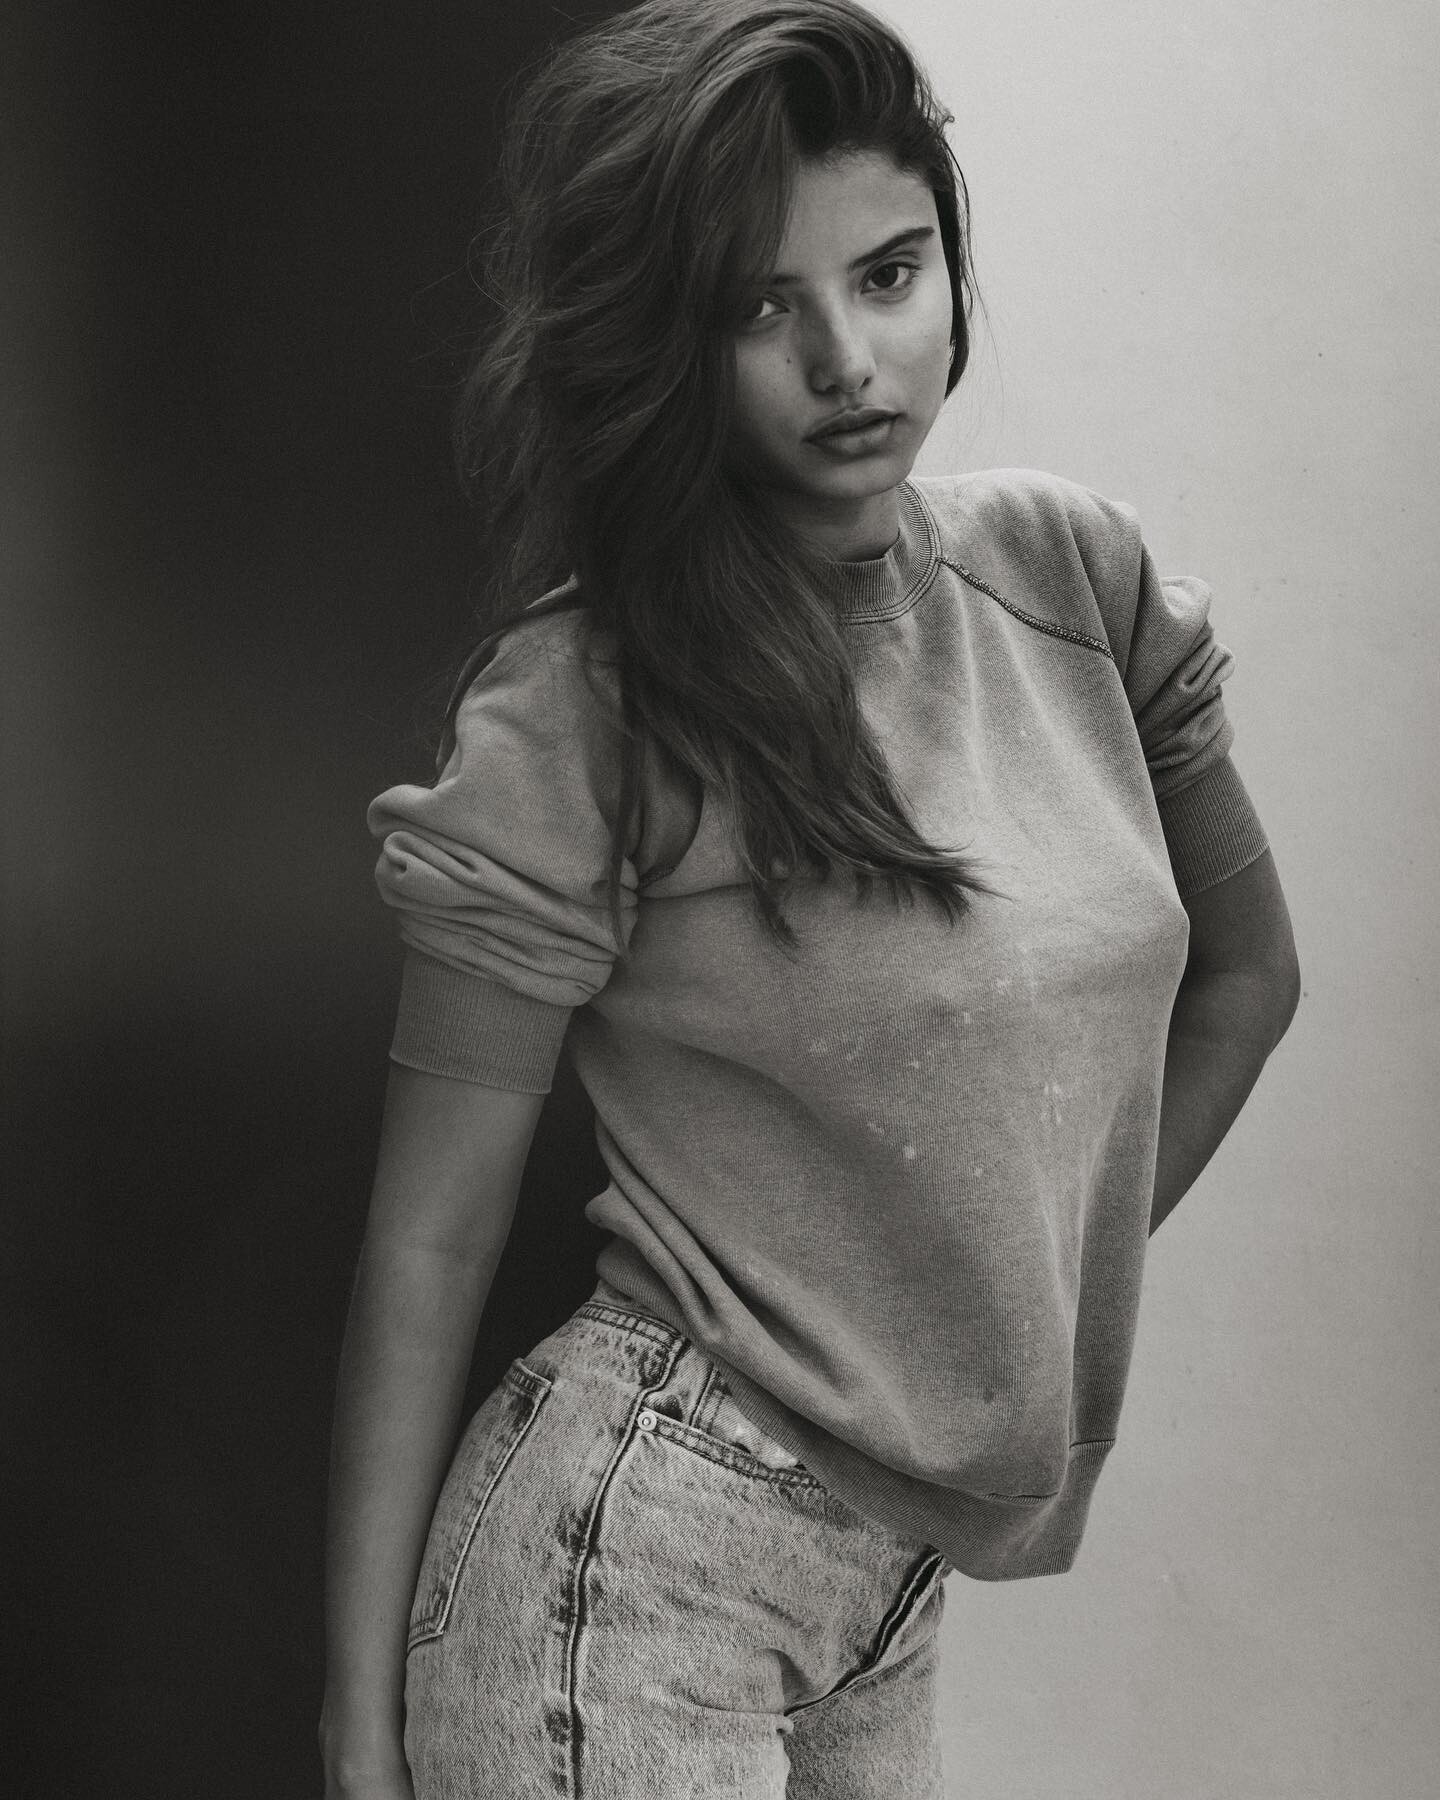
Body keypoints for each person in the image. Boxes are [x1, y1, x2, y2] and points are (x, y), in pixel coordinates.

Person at [320, 1, 1301, 1794]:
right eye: (762, 308)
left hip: (882, 1593)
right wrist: (354, 1727)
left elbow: (1249, 978)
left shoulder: (1077, 580)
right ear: (677, 343)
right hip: (628, 1567)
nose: (849, 360)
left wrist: (990, 1287)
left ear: (949, 268)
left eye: (890, 274)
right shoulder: (590, 702)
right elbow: (428, 1242)